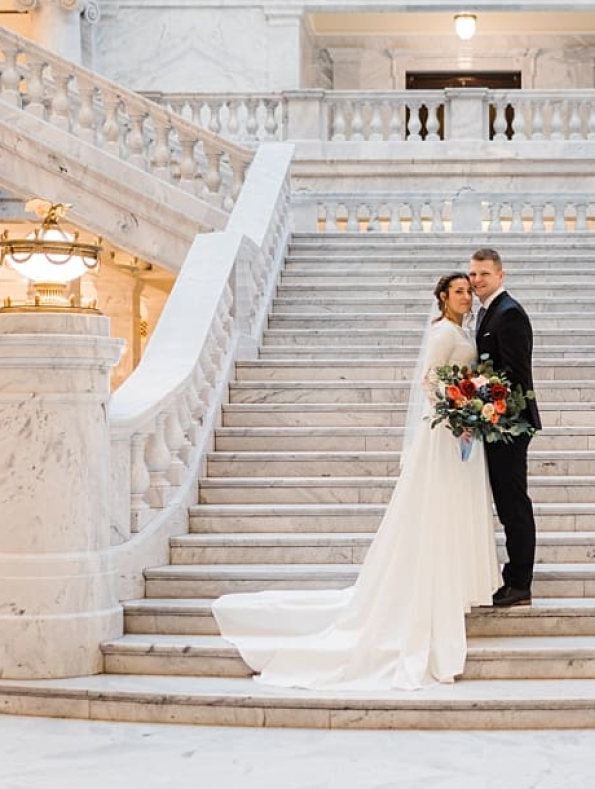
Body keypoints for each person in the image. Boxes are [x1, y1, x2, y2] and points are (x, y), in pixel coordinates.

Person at [212, 273, 499, 690]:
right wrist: (458, 410)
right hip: (445, 431)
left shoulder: (462, 329)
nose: (467, 297)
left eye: (469, 292)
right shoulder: (441, 332)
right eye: (459, 292)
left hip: (461, 432)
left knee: (455, 503)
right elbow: (430, 379)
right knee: (438, 503)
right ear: (443, 297)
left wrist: (475, 401)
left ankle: (455, 577)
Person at [468, 247, 541, 607]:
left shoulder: (509, 314)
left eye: (483, 273)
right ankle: (514, 576)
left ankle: (519, 582)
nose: (476, 280)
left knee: (513, 503)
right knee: (507, 501)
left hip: (510, 425)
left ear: (500, 275)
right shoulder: (487, 313)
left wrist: (475, 392)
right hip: (496, 424)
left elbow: (514, 375)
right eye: (473, 274)